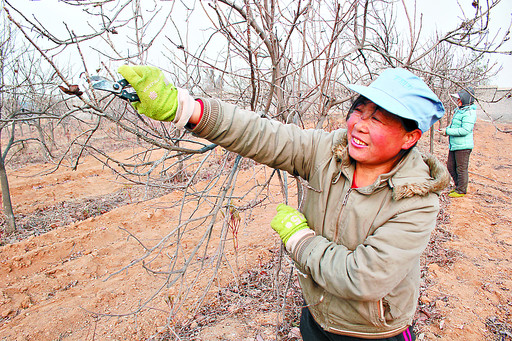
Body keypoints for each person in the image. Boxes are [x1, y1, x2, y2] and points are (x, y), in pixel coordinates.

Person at [117, 65, 450, 341]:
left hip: (372, 333)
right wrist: (185, 109)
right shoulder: (329, 152)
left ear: (410, 137)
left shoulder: (416, 200)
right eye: (358, 110)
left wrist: (299, 239)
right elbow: (264, 135)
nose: (359, 125)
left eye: (377, 119)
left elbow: (362, 278)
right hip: (316, 318)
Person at [439, 88, 477, 198]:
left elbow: (465, 130)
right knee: (451, 166)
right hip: (455, 145)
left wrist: (448, 131)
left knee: (461, 169)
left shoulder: (469, 112)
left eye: (459, 99)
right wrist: (445, 130)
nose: (457, 101)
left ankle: (461, 190)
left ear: (465, 100)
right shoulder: (459, 110)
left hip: (463, 146)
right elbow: (453, 126)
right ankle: (457, 186)